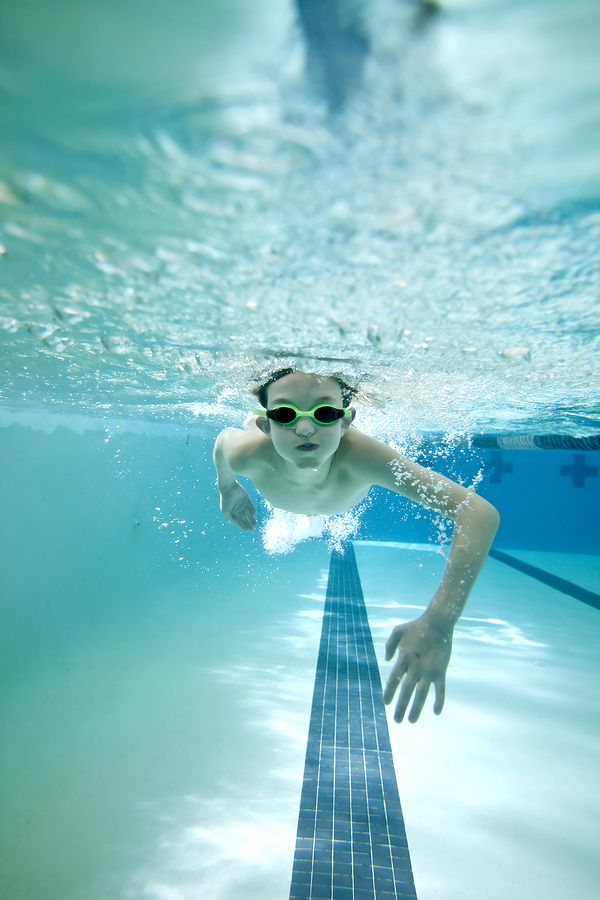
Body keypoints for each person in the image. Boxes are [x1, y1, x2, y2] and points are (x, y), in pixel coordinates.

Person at [213, 368, 500, 724]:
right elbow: (225, 440)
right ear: (266, 426)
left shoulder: (364, 457)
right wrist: (228, 488)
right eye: (285, 415)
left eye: (325, 413)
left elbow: (478, 513)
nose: (305, 429)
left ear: (346, 421)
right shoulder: (248, 454)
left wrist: (441, 622)